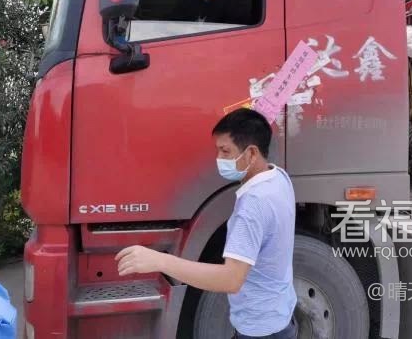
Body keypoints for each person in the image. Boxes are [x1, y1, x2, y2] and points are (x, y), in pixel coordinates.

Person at [116, 108, 297, 338]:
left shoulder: (253, 205)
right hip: (281, 315)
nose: (219, 159)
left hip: (260, 329)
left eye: (225, 151)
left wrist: (159, 261)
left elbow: (231, 279)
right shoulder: (278, 177)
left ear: (251, 153)